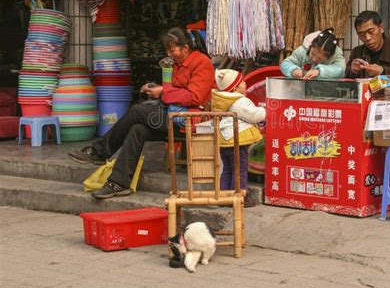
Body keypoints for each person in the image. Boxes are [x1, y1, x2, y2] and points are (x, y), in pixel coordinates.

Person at [68, 27, 215, 199]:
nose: (169, 53)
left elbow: (195, 97)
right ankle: (119, 183)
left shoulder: (202, 62)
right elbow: (176, 91)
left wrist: (163, 92)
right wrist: (158, 89)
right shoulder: (178, 64)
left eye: (172, 49)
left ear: (185, 48)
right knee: (137, 129)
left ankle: (99, 152)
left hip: (190, 120)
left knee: (137, 111)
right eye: (167, 50)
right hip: (174, 114)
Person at [211, 69, 266, 207]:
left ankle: (224, 198)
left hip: (224, 141)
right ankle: (239, 198)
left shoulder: (221, 101)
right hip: (237, 141)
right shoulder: (240, 101)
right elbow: (254, 115)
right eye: (242, 82)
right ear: (235, 88)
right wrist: (266, 110)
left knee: (228, 170)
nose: (245, 83)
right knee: (240, 170)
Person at [346, 10, 390, 82]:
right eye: (361, 34)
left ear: (381, 28)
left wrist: (383, 71)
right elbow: (345, 78)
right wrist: (353, 71)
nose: (367, 38)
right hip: (364, 93)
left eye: (371, 31)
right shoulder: (357, 52)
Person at [280, 28, 346, 80]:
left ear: (329, 56)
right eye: (313, 54)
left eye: (320, 59)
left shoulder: (336, 56)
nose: (314, 59)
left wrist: (320, 71)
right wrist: (293, 70)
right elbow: (285, 63)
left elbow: (340, 70)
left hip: (328, 94)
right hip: (302, 92)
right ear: (311, 46)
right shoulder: (302, 51)